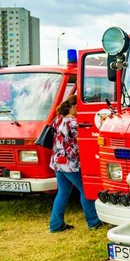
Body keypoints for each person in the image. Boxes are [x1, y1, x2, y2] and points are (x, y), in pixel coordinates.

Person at [49, 95, 102, 233]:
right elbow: (82, 140)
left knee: (63, 192)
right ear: (73, 107)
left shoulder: (57, 120)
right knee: (85, 190)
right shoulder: (72, 123)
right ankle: (93, 221)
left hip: (57, 161)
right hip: (70, 163)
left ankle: (55, 224)